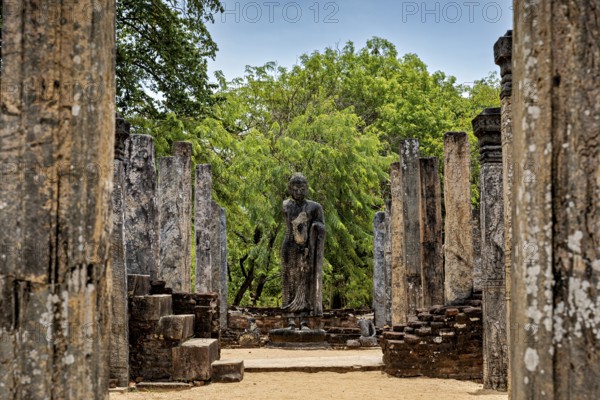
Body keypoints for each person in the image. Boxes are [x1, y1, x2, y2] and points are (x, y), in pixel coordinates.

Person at [281, 173, 325, 329]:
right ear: (289, 188)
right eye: (295, 187)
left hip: (307, 248)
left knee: (305, 282)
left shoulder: (315, 207)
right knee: (289, 282)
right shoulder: (286, 205)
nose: (298, 190)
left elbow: (321, 226)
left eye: (302, 187)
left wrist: (313, 228)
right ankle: (291, 319)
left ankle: (305, 320)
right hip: (290, 247)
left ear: (307, 188)